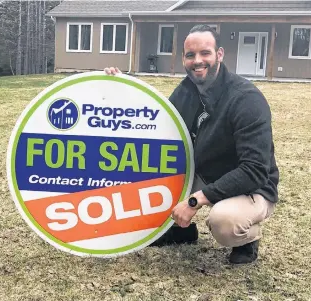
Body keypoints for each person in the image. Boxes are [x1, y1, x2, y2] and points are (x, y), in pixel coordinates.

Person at [105, 24, 279, 264]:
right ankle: (181, 230)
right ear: (184, 59)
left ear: (219, 54)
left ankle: (247, 239)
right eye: (190, 55)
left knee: (224, 223)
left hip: (250, 186)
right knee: (148, 170)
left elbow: (255, 170)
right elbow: (156, 124)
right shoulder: (187, 90)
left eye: (205, 53)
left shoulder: (246, 99)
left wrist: (195, 200)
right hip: (204, 172)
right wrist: (123, 90)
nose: (198, 61)